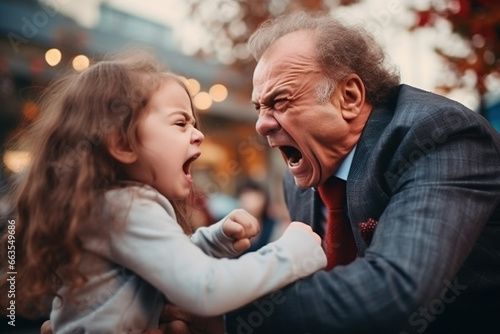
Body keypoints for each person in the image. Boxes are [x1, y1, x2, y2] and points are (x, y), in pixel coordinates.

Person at [0, 50, 327, 333]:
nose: (198, 134)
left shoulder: (106, 207)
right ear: (123, 143)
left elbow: (151, 263)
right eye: (180, 123)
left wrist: (212, 241)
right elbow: (205, 288)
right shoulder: (127, 206)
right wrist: (292, 253)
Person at [219, 11, 500, 334]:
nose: (261, 124)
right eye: (259, 108)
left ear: (349, 98)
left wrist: (224, 308)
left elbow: (396, 289)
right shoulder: (298, 180)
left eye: (280, 101)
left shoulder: (440, 135)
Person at [236, 179, 286, 253]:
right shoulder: (235, 227)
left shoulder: (273, 226)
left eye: (254, 197)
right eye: (246, 197)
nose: (251, 202)